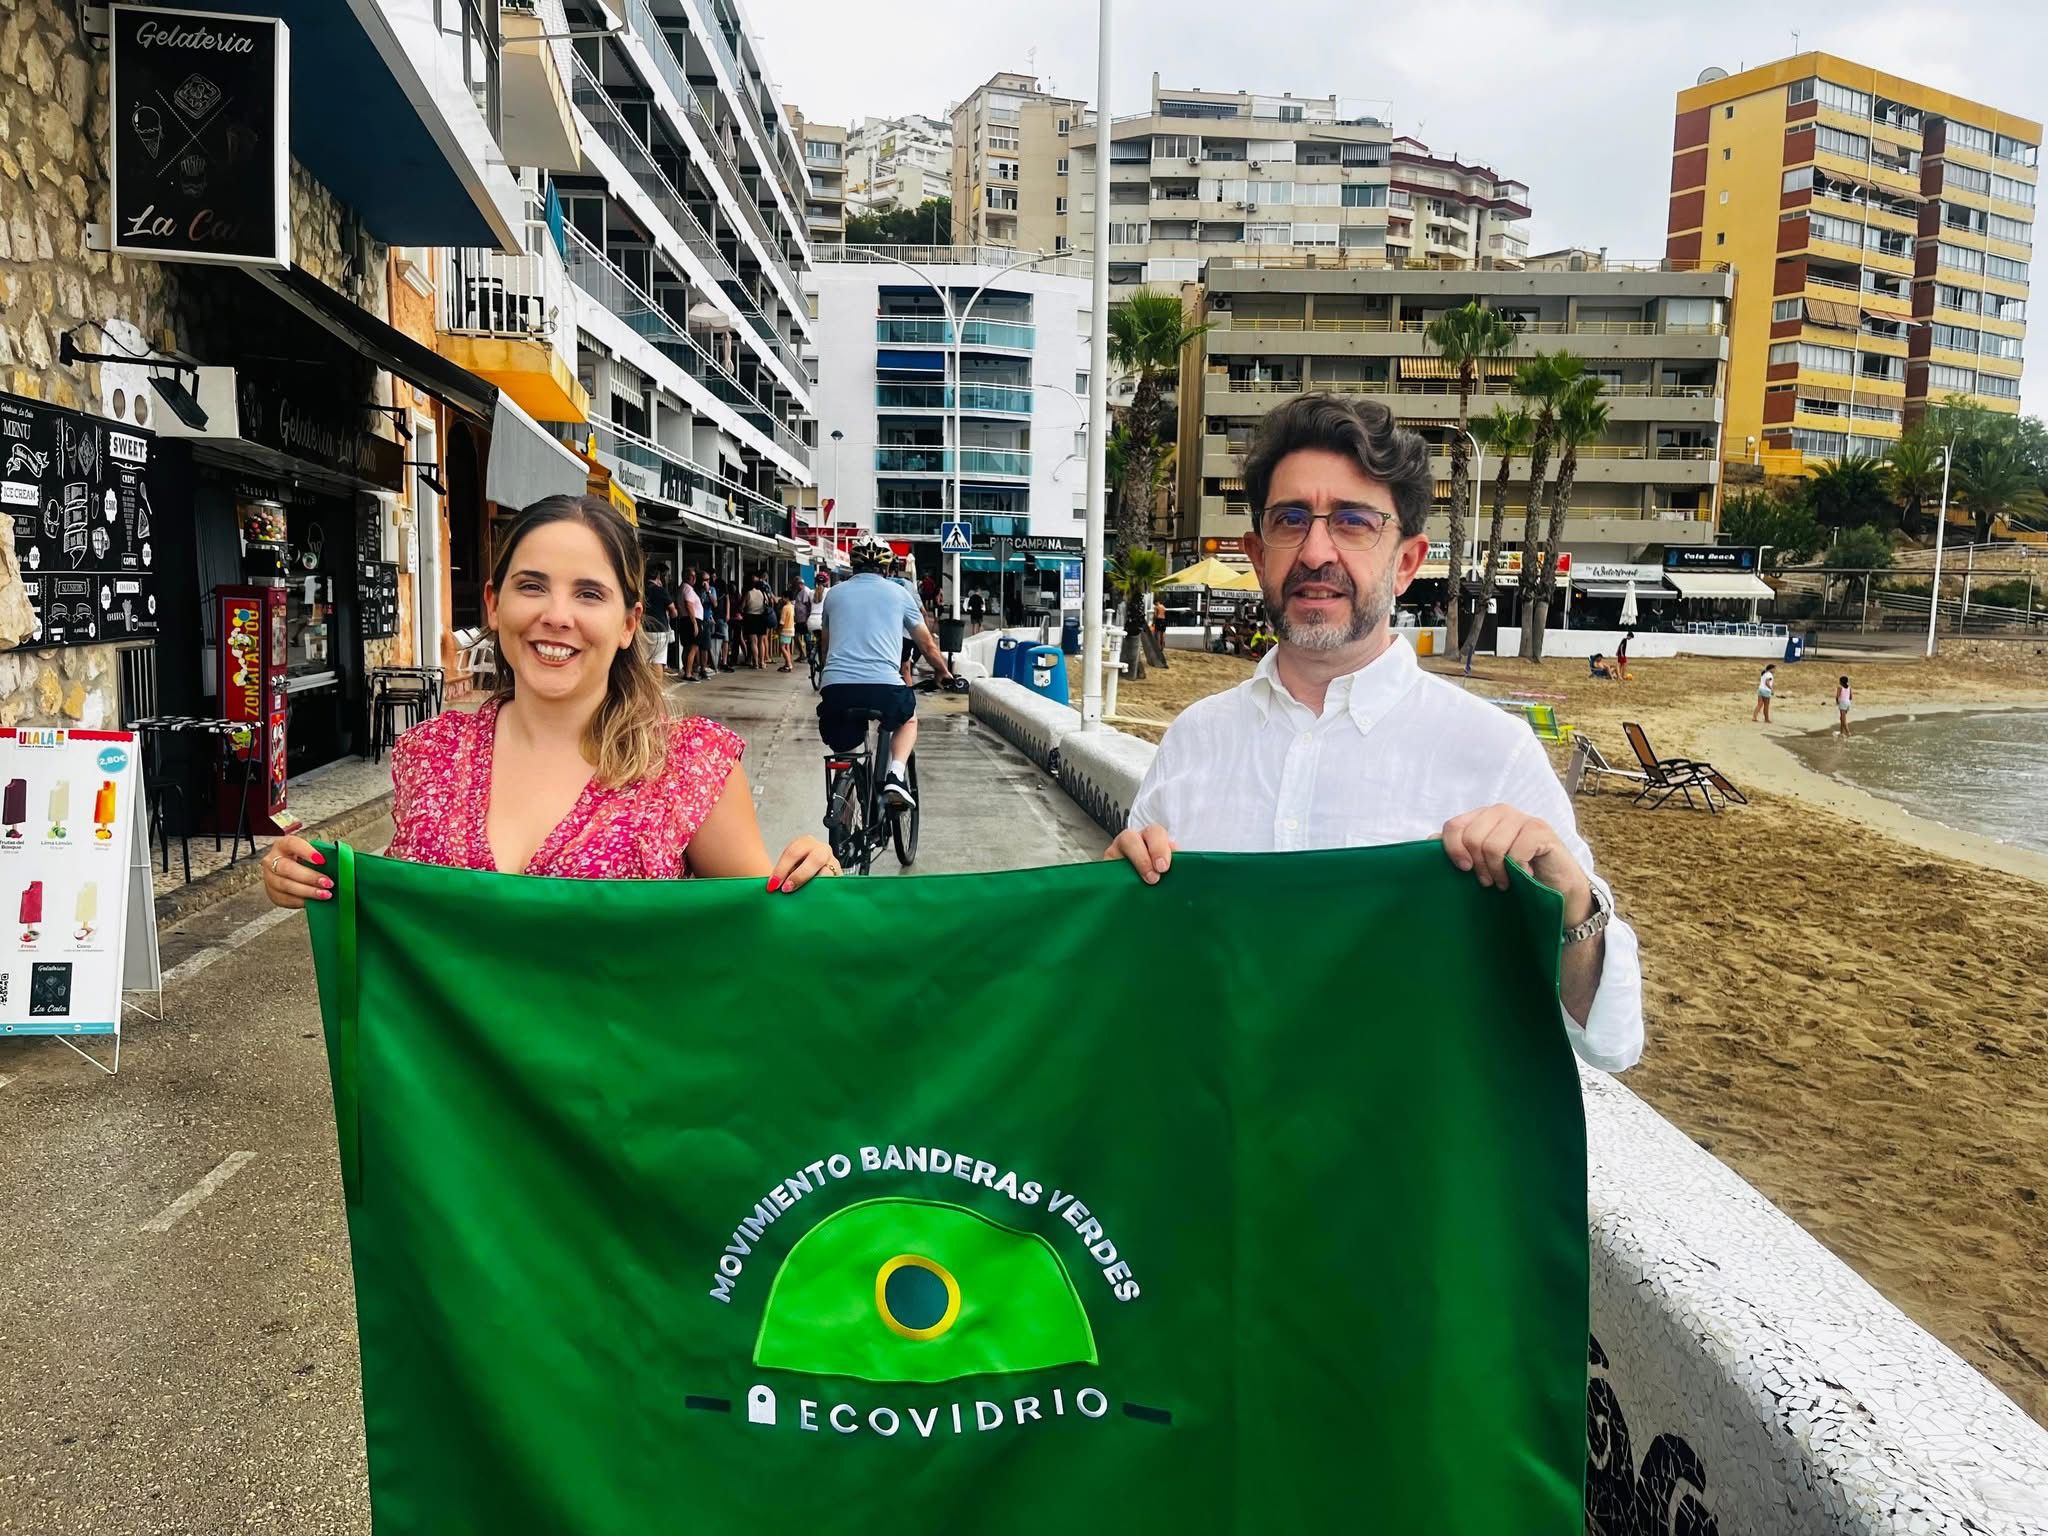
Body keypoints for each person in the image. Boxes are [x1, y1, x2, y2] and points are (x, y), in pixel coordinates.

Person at [1104, 393, 1642, 1073]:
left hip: (1394, 1169)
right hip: (1214, 1156)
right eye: (1290, 519)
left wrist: (1574, 908)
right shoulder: (1193, 741)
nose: (1315, 551)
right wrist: (1116, 899)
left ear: (1408, 561)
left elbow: (1610, 1042)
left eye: (1354, 523)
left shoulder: (1493, 754)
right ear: (1256, 552)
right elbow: (1137, 978)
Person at [261, 495, 839, 904]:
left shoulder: (687, 765)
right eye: (531, 586)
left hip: (624, 1079)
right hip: (456, 1080)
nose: (555, 617)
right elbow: (409, 913)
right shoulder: (430, 753)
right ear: (494, 604)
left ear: (628, 623)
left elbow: (762, 932)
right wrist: (314, 876)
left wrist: (813, 879)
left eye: (589, 594)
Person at [818, 535, 955, 811]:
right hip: (884, 688)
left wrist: (829, 679)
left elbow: (826, 648)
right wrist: (943, 672)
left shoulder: (834, 594)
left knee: (846, 750)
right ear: (888, 567)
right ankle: (895, 774)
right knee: (908, 717)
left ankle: (843, 816)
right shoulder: (899, 594)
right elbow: (926, 644)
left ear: (854, 566)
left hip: (836, 689)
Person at [642, 564, 676, 673]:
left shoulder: (640, 590)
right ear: (657, 577)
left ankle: (645, 688)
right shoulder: (660, 591)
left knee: (644, 662)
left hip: (642, 629)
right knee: (658, 661)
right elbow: (673, 611)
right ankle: (655, 689)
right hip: (659, 630)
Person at [676, 566, 704, 682]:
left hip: (684, 619)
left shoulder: (682, 588)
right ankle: (688, 673)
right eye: (692, 576)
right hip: (691, 620)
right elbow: (689, 605)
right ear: (688, 577)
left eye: (694, 576)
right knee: (693, 647)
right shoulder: (687, 589)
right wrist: (694, 623)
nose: (694, 578)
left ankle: (687, 670)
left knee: (687, 647)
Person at [743, 577, 770, 667]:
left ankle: (755, 663)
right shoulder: (764, 593)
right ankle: (762, 662)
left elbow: (742, 606)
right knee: (760, 641)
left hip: (750, 617)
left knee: (753, 641)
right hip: (761, 618)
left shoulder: (749, 593)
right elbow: (768, 604)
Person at [808, 570, 832, 666]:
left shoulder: (810, 592)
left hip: (811, 620)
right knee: (826, 644)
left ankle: (813, 652)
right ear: (826, 582)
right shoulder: (829, 591)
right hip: (822, 621)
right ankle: (823, 664)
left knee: (819, 639)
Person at [776, 585, 798, 672]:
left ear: (787, 598)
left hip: (785, 630)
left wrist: (778, 630)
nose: (782, 599)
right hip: (791, 629)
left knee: (782, 647)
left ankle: (789, 664)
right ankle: (787, 664)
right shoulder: (792, 606)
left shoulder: (785, 608)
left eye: (783, 597)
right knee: (787, 647)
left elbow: (782, 621)